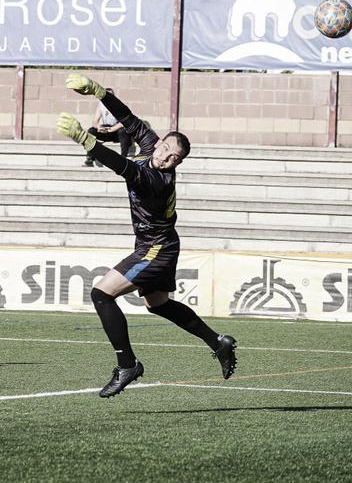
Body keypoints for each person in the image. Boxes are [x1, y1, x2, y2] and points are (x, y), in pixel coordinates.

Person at [56, 74, 237, 398]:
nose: (166, 156)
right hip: (159, 243)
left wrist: (86, 140)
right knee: (158, 305)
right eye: (166, 148)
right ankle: (217, 342)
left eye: (174, 158)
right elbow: (130, 121)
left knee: (101, 294)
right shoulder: (153, 147)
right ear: (162, 141)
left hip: (156, 248)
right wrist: (99, 93)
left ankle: (127, 365)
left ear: (177, 163)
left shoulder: (157, 179)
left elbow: (123, 166)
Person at [84, 87, 132, 166]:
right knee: (91, 131)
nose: (108, 97)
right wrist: (99, 127)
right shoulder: (101, 105)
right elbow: (94, 121)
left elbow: (124, 122)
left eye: (110, 95)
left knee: (123, 131)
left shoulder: (119, 105)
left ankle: (123, 159)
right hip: (107, 130)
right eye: (106, 95)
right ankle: (89, 158)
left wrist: (112, 129)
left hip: (117, 132)